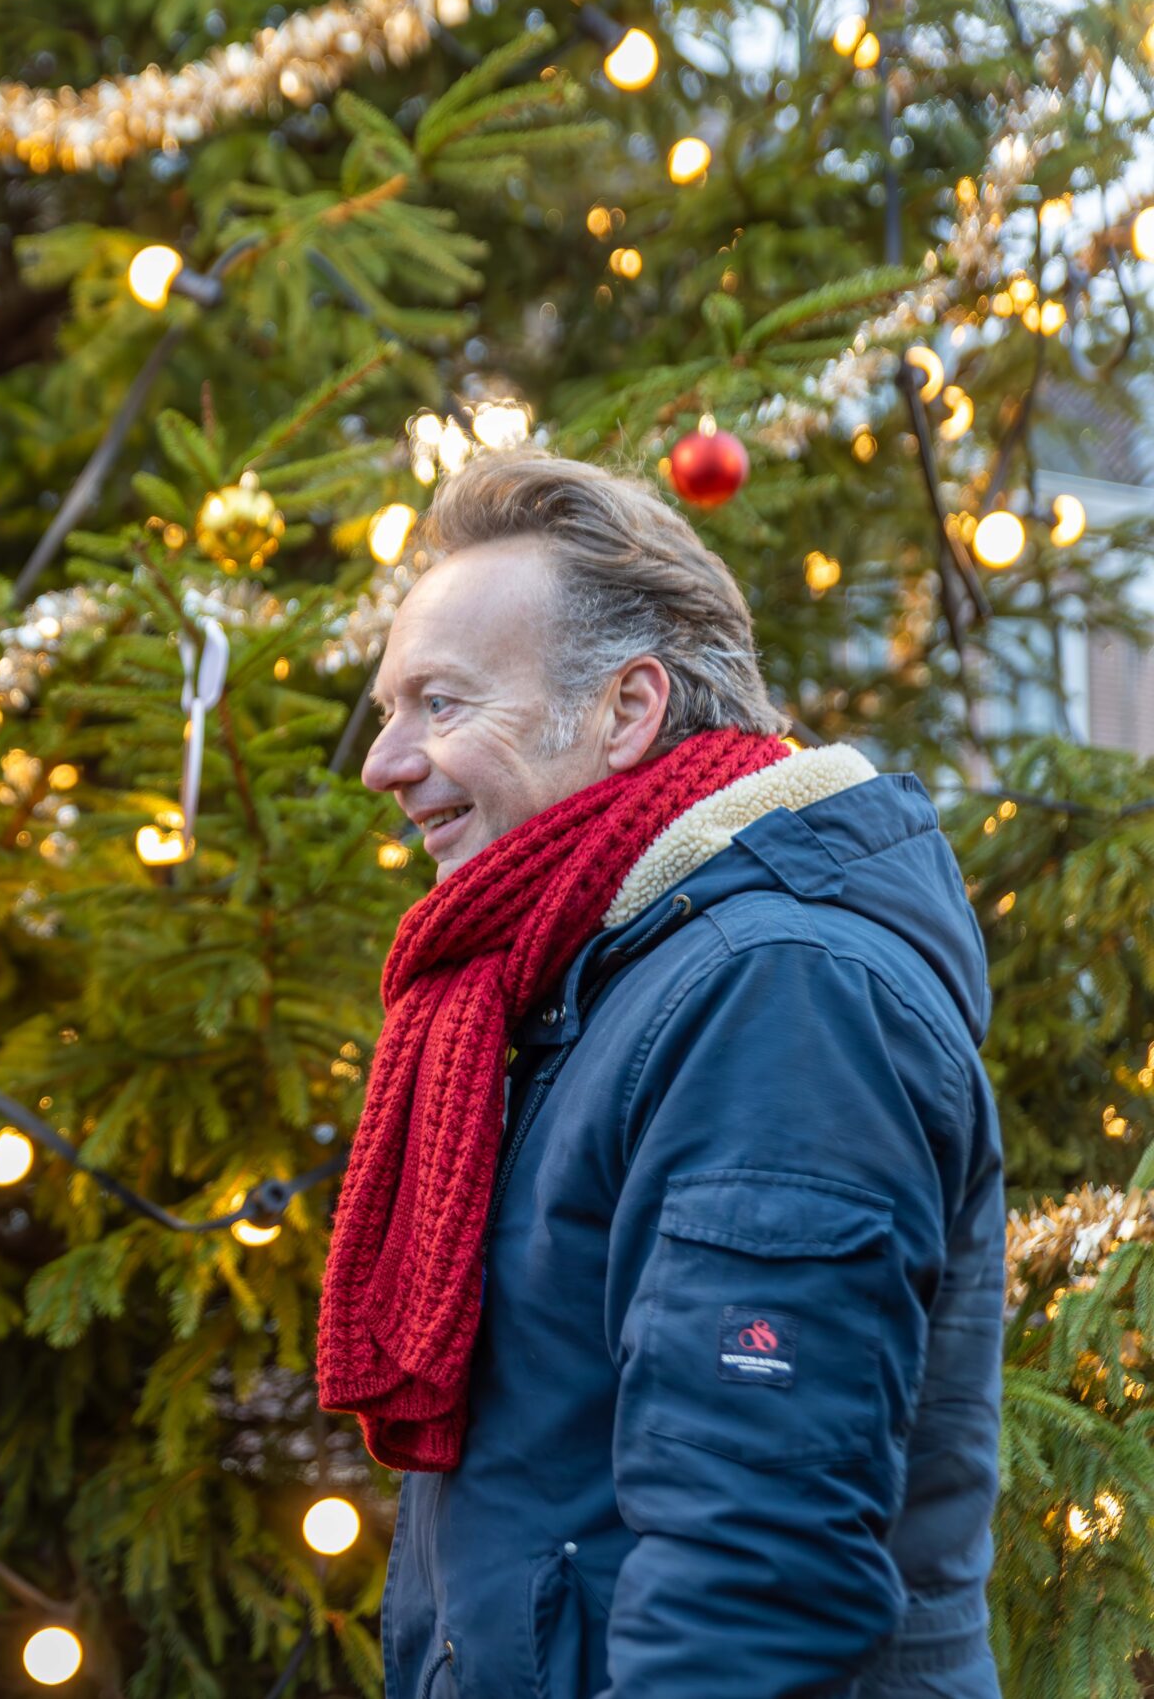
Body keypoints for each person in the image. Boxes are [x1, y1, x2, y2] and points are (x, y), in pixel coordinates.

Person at [321, 450, 1002, 1696]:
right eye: (387, 709)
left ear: (628, 709)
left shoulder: (777, 993)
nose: (384, 762)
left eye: (441, 704)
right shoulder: (593, 979)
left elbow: (756, 1570)